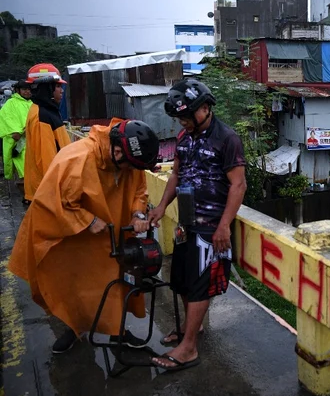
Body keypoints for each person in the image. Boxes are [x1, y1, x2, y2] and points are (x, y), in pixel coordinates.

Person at [8, 119, 160, 354]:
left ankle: (116, 332)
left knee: (118, 280)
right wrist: (86, 220)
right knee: (73, 283)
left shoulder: (128, 159)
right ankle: (73, 327)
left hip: (112, 234)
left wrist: (138, 214)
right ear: (117, 150)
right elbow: (50, 202)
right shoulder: (76, 158)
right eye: (128, 165)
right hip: (74, 236)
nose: (130, 170)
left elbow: (139, 189)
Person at [148, 79, 246, 371]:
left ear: (205, 108)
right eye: (181, 119)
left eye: (188, 117)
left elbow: (238, 185)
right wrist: (162, 207)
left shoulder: (227, 138)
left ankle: (188, 347)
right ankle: (194, 329)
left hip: (211, 227)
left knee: (201, 285)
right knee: (181, 280)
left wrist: (224, 226)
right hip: (186, 223)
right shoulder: (183, 138)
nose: (184, 122)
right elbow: (176, 176)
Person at [23, 63, 71, 204]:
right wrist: (59, 194)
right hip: (49, 193)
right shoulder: (41, 116)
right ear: (46, 88)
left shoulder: (47, 111)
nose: (61, 90)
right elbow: (47, 161)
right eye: (57, 86)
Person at [0, 80, 32, 196]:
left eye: (29, 89)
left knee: (29, 168)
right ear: (18, 91)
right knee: (23, 168)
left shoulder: (31, 103)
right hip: (18, 141)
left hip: (30, 140)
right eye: (24, 89)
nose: (27, 92)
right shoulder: (11, 103)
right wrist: (16, 131)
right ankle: (26, 193)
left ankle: (29, 193)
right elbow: (6, 118)